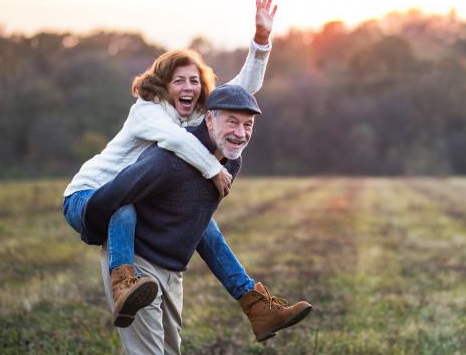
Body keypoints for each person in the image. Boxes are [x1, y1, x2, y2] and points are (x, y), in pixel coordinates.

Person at [62, 0, 301, 337]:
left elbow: (241, 93)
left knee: (206, 225)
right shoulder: (149, 112)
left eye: (194, 81)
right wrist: (213, 169)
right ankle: (124, 283)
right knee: (125, 208)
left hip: (130, 193)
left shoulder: (192, 117)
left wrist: (261, 40)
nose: (188, 87)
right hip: (89, 194)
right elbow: (174, 143)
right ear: (163, 85)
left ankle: (254, 303)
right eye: (179, 81)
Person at [81, 85, 312, 354]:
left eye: (248, 125)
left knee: (169, 351)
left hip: (172, 267)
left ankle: (256, 307)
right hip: (137, 264)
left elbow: (199, 222)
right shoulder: (167, 161)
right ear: (210, 119)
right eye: (232, 122)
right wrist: (92, 231)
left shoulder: (231, 162)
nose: (241, 133)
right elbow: (113, 194)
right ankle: (253, 304)